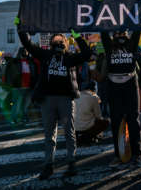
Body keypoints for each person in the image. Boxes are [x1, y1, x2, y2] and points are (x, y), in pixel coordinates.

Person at [17, 22, 91, 180]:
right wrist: (22, 28)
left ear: (65, 43)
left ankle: (71, 163)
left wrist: (77, 36)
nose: (58, 40)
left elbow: (86, 54)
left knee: (70, 132)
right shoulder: (45, 55)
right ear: (51, 43)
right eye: (56, 38)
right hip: (48, 100)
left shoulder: (69, 58)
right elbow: (27, 44)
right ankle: (48, 165)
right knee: (49, 134)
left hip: (65, 99)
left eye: (61, 39)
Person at [100, 30, 141, 166]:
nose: (121, 35)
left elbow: (136, 28)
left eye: (123, 33)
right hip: (114, 86)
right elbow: (103, 31)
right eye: (118, 33)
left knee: (134, 119)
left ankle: (138, 153)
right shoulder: (109, 46)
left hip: (130, 84)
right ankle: (118, 155)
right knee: (116, 122)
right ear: (113, 35)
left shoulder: (131, 44)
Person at [75, 81, 110, 145]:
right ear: (94, 89)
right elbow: (98, 116)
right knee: (106, 122)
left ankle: (80, 137)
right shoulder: (93, 97)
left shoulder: (75, 96)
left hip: (75, 128)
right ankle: (88, 136)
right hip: (86, 128)